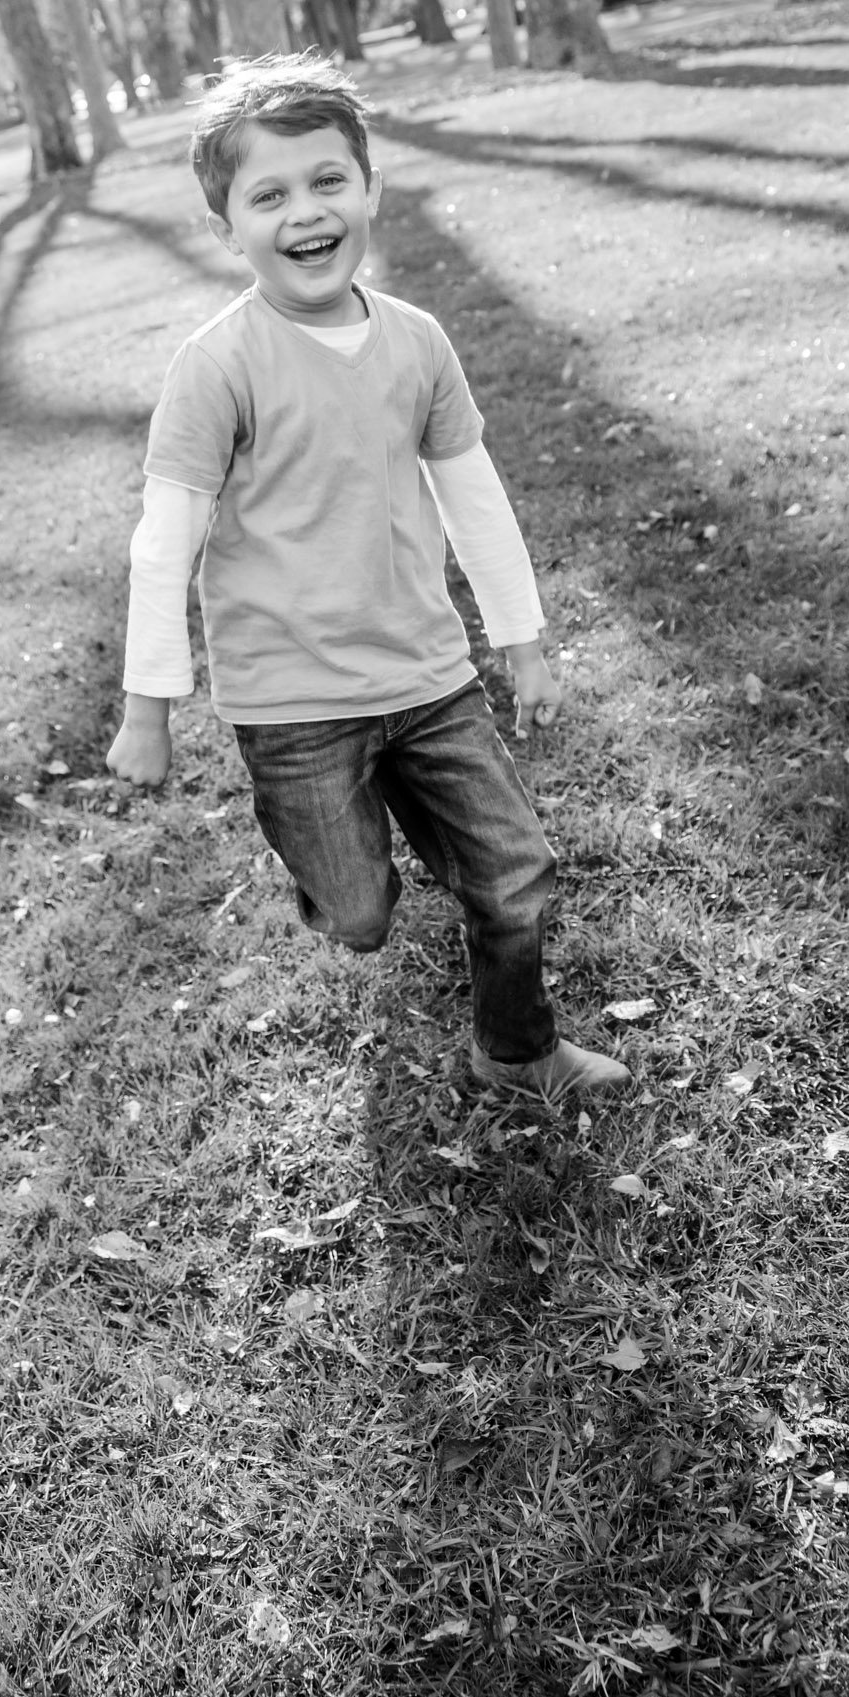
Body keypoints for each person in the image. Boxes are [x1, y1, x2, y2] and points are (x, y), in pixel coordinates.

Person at [106, 54, 629, 1102]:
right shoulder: (218, 369)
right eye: (271, 195)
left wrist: (520, 643)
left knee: (516, 875)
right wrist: (146, 708)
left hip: (428, 679)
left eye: (328, 182)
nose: (306, 213)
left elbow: (473, 497)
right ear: (226, 227)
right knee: (359, 915)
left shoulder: (419, 343)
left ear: (370, 188)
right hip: (293, 703)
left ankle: (516, 1051)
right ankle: (340, 858)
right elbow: (165, 544)